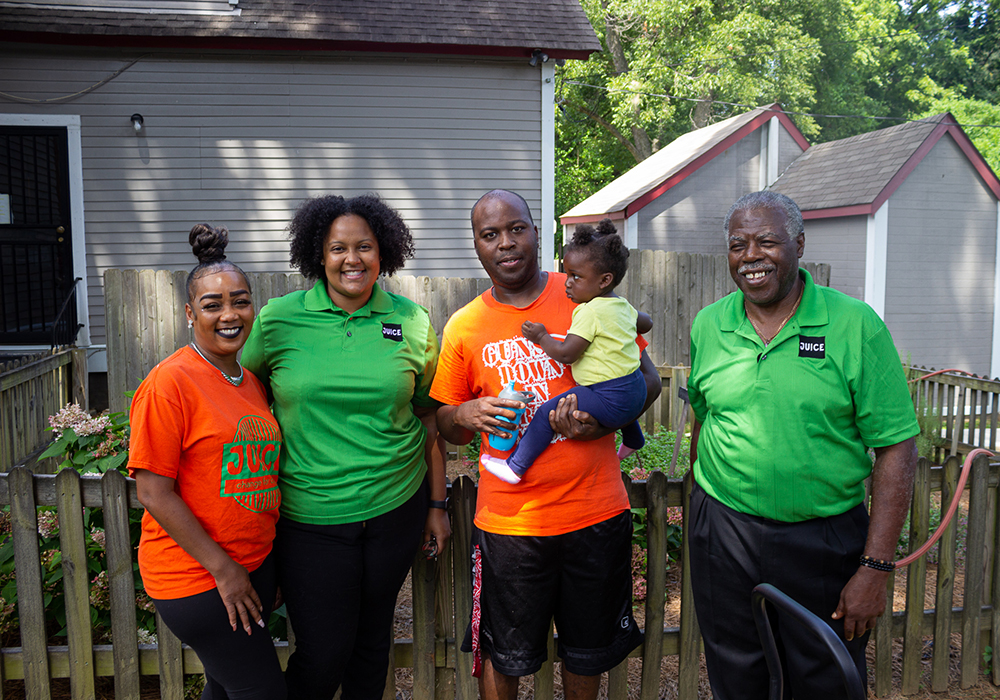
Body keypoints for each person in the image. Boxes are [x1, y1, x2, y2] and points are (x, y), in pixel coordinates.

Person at [686, 190, 919, 699]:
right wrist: (699, 511)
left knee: (825, 677)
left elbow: (897, 448)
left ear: (798, 244)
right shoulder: (709, 325)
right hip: (724, 534)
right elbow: (703, 422)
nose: (751, 256)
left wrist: (875, 568)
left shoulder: (854, 325)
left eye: (766, 241)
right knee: (735, 673)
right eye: (737, 244)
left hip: (824, 542)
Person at [431, 189, 661, 700]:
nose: (506, 243)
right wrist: (465, 412)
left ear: (538, 233)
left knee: (587, 650)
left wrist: (601, 425)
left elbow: (647, 380)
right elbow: (447, 425)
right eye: (490, 235)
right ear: (476, 245)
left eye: (517, 228)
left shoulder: (586, 292)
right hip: (511, 525)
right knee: (505, 655)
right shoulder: (465, 327)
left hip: (595, 513)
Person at [241, 193, 450, 700]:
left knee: (373, 641)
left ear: (384, 253)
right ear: (318, 253)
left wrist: (438, 505)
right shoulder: (278, 319)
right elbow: (237, 393)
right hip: (310, 515)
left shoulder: (412, 320)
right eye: (338, 248)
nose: (351, 259)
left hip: (395, 507)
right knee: (323, 648)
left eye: (365, 247)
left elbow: (427, 416)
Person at [129, 223, 285, 700]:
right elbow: (153, 491)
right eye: (212, 305)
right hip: (198, 577)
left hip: (247, 566)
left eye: (239, 301)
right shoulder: (170, 383)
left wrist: (260, 567)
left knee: (224, 689)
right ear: (189, 313)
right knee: (262, 692)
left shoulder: (248, 381)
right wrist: (226, 570)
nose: (229, 314)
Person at [479, 218, 652, 485]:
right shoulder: (622, 306)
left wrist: (541, 337)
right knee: (624, 400)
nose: (567, 283)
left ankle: (515, 467)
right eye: (567, 274)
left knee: (546, 414)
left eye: (576, 277)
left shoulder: (588, 311)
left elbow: (567, 354)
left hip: (608, 395)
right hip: (636, 390)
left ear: (605, 280)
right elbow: (647, 323)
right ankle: (633, 440)